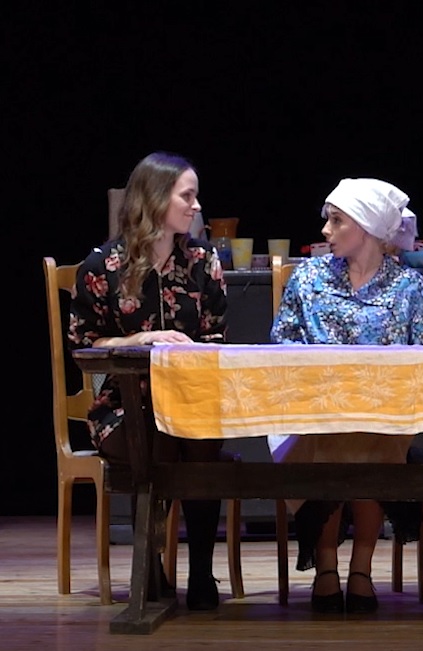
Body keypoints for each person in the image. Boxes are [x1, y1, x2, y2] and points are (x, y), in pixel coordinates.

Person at [268, 177, 423, 614]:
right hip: (313, 417)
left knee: (367, 438)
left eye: (336, 221)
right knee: (334, 438)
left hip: (385, 420)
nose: (325, 231)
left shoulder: (411, 288)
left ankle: (360, 567)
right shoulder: (307, 279)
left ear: (366, 228)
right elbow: (280, 346)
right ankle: (328, 565)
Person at [69, 151, 228, 611]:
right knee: (155, 440)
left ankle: (201, 571)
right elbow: (84, 345)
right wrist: (140, 338)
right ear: (156, 199)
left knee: (200, 437)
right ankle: (150, 568)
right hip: (124, 407)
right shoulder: (102, 267)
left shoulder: (202, 260)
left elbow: (216, 336)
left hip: (188, 399)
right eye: (187, 196)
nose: (196, 206)